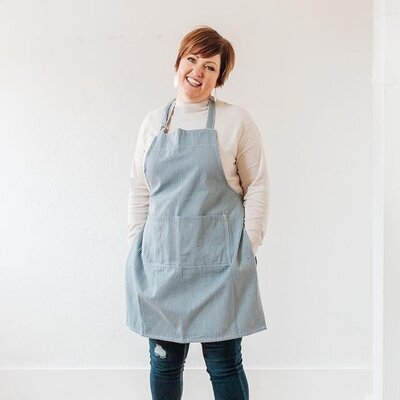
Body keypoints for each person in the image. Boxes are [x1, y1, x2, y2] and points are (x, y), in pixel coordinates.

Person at [125, 25, 270, 400]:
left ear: (219, 77)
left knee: (224, 364)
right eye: (192, 60)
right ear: (178, 64)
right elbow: (139, 189)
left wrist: (248, 246)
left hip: (220, 267)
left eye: (210, 66)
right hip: (161, 265)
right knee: (164, 363)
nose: (198, 71)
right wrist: (135, 246)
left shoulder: (235, 121)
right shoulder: (152, 124)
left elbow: (257, 186)